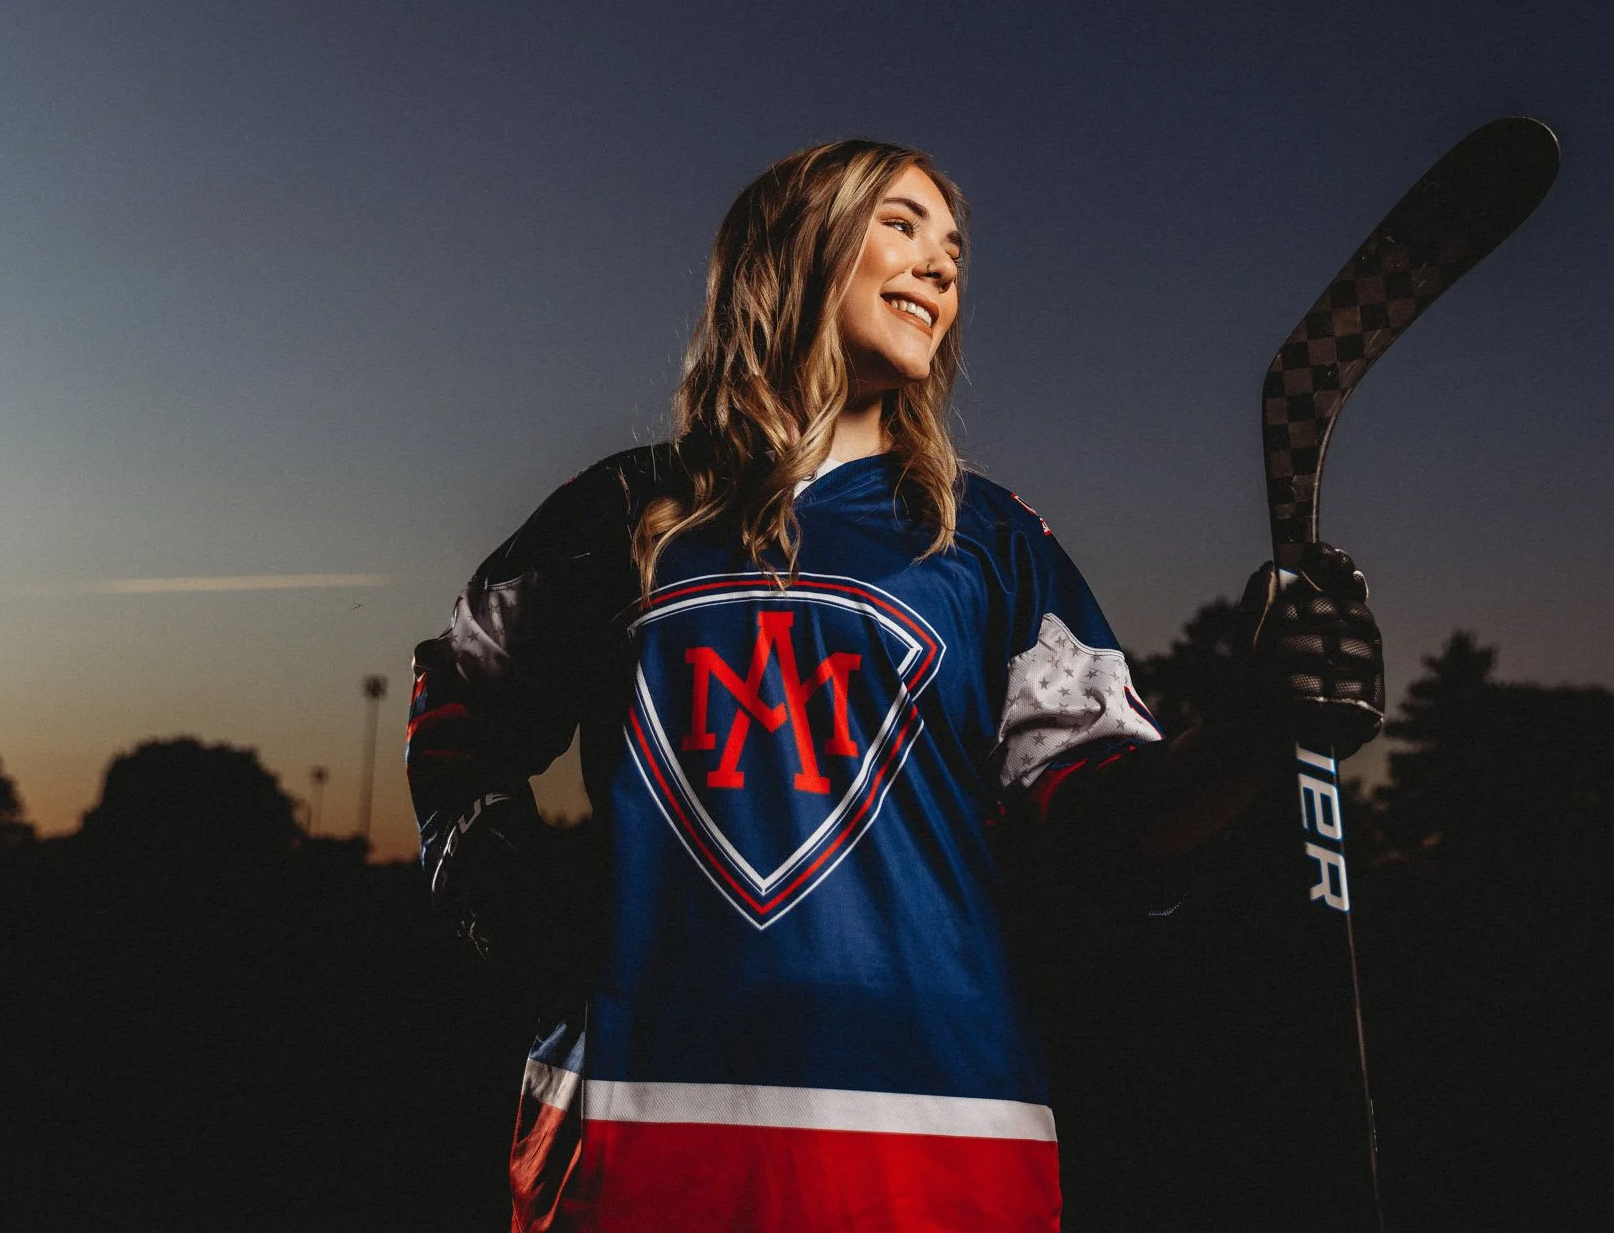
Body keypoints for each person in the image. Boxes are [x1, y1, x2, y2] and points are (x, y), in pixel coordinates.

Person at [405, 139, 1383, 1231]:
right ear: (795, 247)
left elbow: (1103, 826)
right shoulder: (621, 515)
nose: (939, 266)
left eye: (953, 249)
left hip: (935, 1120)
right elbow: (462, 699)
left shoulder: (991, 545)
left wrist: (1251, 728)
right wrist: (493, 882)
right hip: (639, 1106)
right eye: (903, 225)